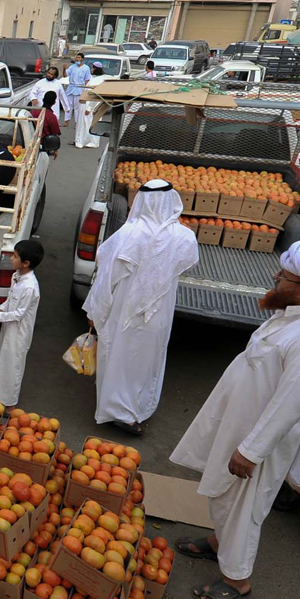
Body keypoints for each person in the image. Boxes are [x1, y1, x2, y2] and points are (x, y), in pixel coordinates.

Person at [170, 241, 300, 599]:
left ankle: (237, 579)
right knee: (226, 496)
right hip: (242, 424)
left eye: (284, 275)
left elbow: (291, 405)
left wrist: (251, 450)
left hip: (260, 441)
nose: (275, 277)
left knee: (246, 507)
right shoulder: (293, 315)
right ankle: (218, 544)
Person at [82, 180, 199, 435]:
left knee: (119, 358)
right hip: (157, 315)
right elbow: (187, 263)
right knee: (146, 360)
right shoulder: (184, 237)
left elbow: (106, 278)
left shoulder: (128, 234)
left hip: (122, 312)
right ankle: (135, 410)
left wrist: (95, 312)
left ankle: (118, 412)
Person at [0, 239, 43, 406]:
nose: (11, 259)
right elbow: (9, 300)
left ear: (26, 263)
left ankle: (8, 403)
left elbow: (19, 314)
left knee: (12, 365)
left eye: (14, 256)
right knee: (3, 358)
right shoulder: (17, 276)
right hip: (9, 326)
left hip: (19, 331)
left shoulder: (30, 288)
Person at [74, 63, 107, 149]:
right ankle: (82, 140)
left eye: (92, 68)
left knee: (90, 124)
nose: (91, 70)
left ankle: (93, 142)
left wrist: (90, 108)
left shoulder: (100, 80)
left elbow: (97, 95)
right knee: (83, 124)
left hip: (92, 106)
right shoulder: (93, 78)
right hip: (86, 104)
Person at [65, 53, 91, 131]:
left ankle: (77, 123)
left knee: (77, 107)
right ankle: (67, 121)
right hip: (71, 87)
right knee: (68, 105)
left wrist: (85, 89)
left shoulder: (86, 68)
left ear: (82, 59)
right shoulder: (72, 67)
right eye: (76, 57)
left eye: (79, 58)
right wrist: (64, 69)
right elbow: (65, 75)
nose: (77, 59)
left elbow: (87, 79)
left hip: (79, 88)